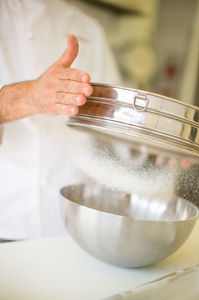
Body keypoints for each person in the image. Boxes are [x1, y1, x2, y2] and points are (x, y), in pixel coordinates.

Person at [0, 0, 121, 240]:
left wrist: (155, 147)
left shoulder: (90, 29)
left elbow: (116, 122)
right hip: (6, 217)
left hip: (71, 227)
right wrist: (31, 96)